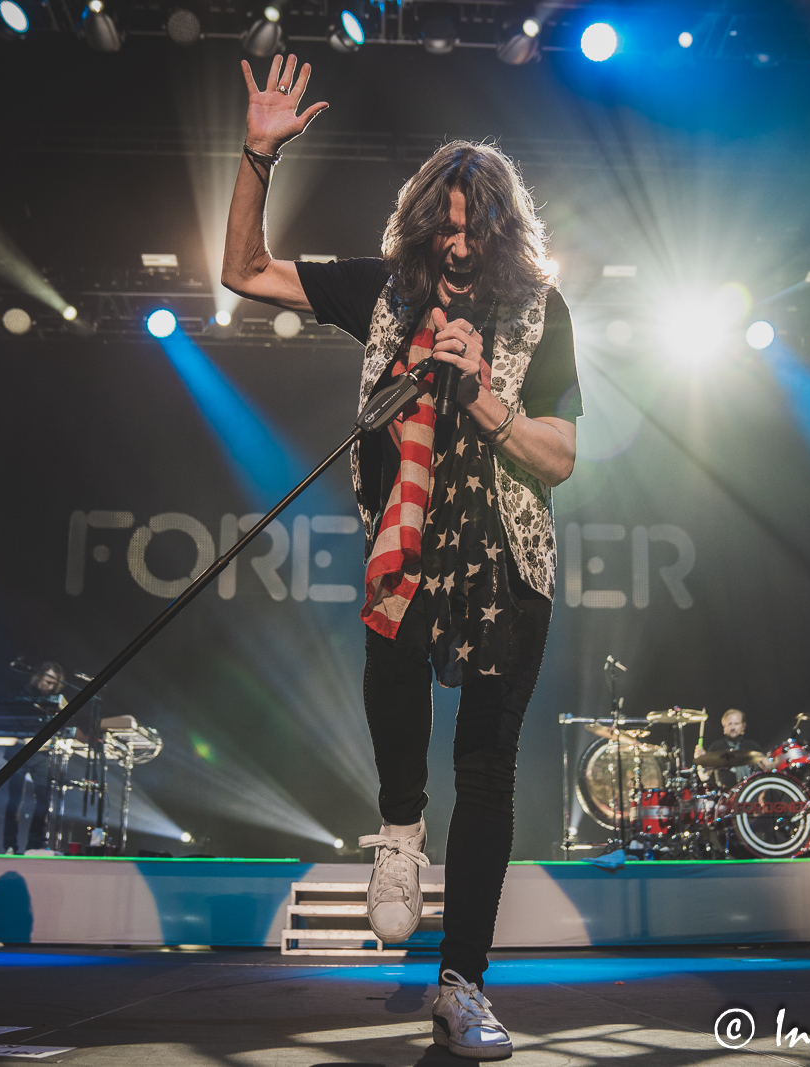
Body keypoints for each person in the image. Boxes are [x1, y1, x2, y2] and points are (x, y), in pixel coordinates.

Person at [222, 54, 582, 1060]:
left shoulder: (540, 312)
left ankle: (461, 985)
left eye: (474, 227)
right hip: (404, 548)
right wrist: (257, 157)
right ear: (421, 225)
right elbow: (243, 272)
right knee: (397, 701)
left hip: (507, 561)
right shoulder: (382, 290)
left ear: (501, 229)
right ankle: (397, 830)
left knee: (490, 768)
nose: (456, 243)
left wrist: (484, 397)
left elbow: (559, 454)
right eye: (442, 225)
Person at [3, 661, 64, 856]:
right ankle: (10, 846)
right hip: (20, 751)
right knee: (14, 800)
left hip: (42, 754)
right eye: (48, 682)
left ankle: (33, 845)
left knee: (44, 800)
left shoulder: (54, 700)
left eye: (54, 684)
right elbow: (14, 718)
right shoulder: (22, 693)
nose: (50, 686)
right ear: (39, 678)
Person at [695, 708, 776, 787]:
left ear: (743, 726)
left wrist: (775, 762)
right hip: (725, 794)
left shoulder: (752, 746)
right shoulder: (716, 746)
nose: (733, 727)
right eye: (730, 724)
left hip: (748, 791)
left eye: (736, 724)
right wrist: (701, 761)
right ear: (724, 726)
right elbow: (704, 776)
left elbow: (768, 768)